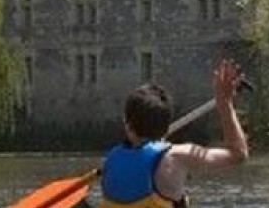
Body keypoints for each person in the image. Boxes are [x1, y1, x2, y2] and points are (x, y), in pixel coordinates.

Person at [97, 59, 248, 208]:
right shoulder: (177, 157)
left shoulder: (111, 161)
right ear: (165, 125)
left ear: (127, 125)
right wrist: (225, 104)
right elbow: (238, 153)